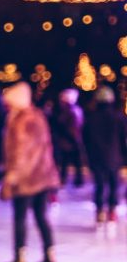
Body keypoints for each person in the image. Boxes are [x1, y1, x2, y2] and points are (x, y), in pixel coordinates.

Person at [0, 81, 60, 262]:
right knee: (41, 215)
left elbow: (20, 152)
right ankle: (50, 255)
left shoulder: (20, 120)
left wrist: (12, 176)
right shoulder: (37, 115)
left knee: (20, 217)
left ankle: (20, 257)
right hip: (43, 175)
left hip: (26, 177)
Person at [83, 86, 127, 227]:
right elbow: (123, 139)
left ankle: (100, 211)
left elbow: (85, 140)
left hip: (96, 157)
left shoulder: (90, 118)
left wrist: (87, 156)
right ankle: (112, 211)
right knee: (113, 184)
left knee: (100, 184)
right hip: (114, 157)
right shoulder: (118, 117)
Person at [50, 88, 85, 188]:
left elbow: (70, 126)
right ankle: (71, 179)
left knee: (70, 161)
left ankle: (71, 179)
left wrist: (73, 137)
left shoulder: (69, 112)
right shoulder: (74, 111)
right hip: (71, 140)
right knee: (70, 161)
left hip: (70, 140)